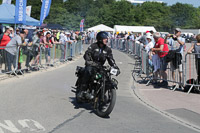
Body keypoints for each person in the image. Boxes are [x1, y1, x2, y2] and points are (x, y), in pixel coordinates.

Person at [78, 31, 120, 99]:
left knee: (106, 76)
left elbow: (110, 59)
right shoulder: (93, 46)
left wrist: (115, 66)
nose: (106, 40)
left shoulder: (107, 49)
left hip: (100, 67)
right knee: (88, 71)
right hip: (91, 65)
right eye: (105, 38)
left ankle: (101, 93)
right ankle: (82, 91)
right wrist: (89, 61)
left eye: (107, 38)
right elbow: (87, 54)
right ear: (100, 39)